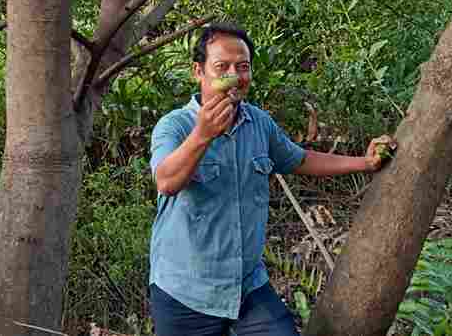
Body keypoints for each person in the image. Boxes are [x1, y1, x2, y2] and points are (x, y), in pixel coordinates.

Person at [147, 22, 396, 336]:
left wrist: (365, 162)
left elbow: (300, 159)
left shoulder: (258, 123)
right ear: (199, 71)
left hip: (248, 286)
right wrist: (203, 134)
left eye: (243, 67)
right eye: (222, 67)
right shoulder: (175, 126)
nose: (235, 76)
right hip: (185, 292)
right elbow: (166, 182)